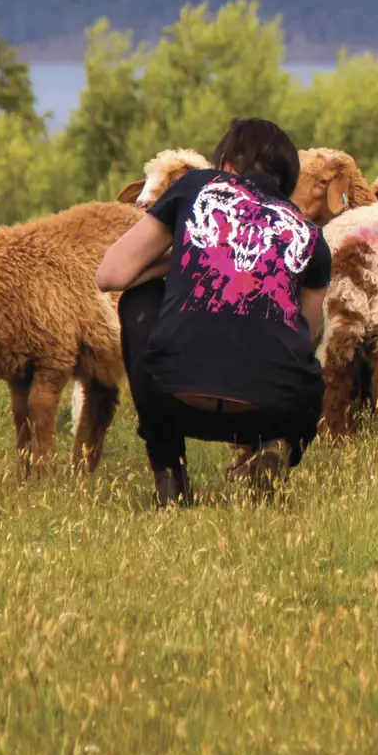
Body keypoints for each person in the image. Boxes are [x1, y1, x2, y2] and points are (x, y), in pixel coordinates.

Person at [94, 116, 329, 506]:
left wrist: (179, 259)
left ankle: (169, 475)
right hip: (271, 406)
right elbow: (306, 334)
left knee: (138, 299)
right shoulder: (310, 236)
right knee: (296, 355)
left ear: (227, 165)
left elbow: (110, 274)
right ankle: (276, 445)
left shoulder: (198, 187)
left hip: (174, 396)